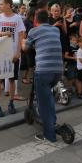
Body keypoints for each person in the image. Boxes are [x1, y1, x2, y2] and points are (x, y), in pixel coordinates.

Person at [23, 10, 63, 142]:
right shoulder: (55, 30)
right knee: (48, 98)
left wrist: (22, 40)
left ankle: (49, 135)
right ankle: (53, 122)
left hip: (44, 71)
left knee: (44, 104)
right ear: (48, 19)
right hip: (57, 70)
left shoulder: (33, 31)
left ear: (36, 20)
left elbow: (26, 48)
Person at [0, 0, 25, 117]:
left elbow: (21, 36)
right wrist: (2, 33)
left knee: (11, 79)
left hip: (13, 54)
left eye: (1, 4)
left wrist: (18, 53)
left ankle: (11, 103)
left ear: (9, 5)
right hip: (0, 54)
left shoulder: (17, 18)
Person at [21, 7, 35, 84]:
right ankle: (25, 77)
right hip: (27, 43)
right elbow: (23, 33)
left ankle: (30, 77)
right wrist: (24, 41)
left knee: (32, 63)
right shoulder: (26, 21)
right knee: (28, 62)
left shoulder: (34, 21)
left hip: (33, 44)